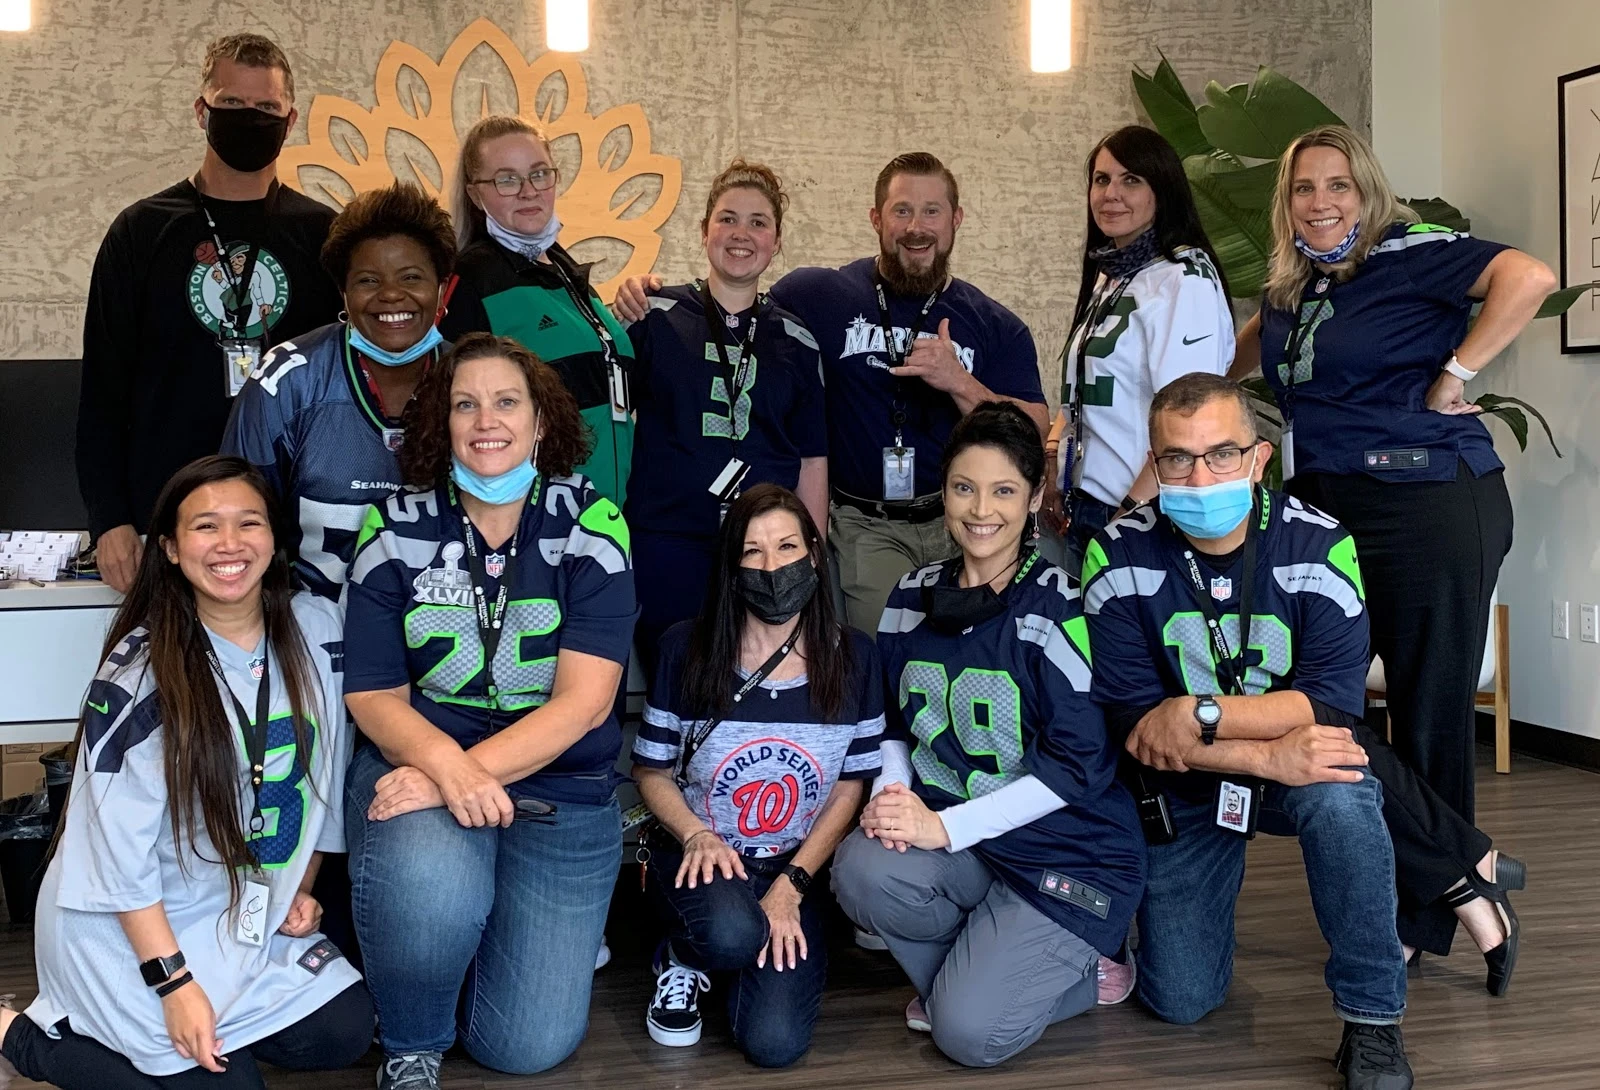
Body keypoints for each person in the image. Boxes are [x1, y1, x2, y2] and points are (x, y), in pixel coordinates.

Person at [1082, 372, 1416, 1089]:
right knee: (1180, 1000)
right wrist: (1265, 759)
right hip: (1187, 781)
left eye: (1222, 454)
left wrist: (1197, 712)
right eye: (1178, 458)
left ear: (1259, 458)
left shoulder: (1322, 544)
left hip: (1281, 757)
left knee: (1342, 789)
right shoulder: (1116, 553)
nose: (1201, 477)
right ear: (1154, 464)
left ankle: (1373, 1020)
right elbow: (1137, 728)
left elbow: (1328, 704)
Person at [0, 456, 371, 1089]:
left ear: (275, 538)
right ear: (170, 549)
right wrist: (174, 985)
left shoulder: (319, 629)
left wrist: (299, 886)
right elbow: (115, 858)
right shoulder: (141, 671)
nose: (229, 544)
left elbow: (323, 779)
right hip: (133, 924)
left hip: (234, 908)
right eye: (205, 527)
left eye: (248, 523)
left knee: (344, 1028)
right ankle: (26, 1036)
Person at [1232, 125, 1553, 828]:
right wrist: (1200, 393)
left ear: (1367, 191)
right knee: (1319, 700)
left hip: (1427, 502)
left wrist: (1456, 374)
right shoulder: (1293, 283)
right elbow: (1249, 350)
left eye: (1338, 185)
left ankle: (1441, 886)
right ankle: (1442, 863)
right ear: (1287, 203)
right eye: (1303, 188)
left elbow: (1530, 277)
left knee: (1427, 714)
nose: (1320, 202)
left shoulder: (1411, 252)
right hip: (1323, 510)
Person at [342, 334, 636, 1087]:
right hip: (422, 762)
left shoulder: (593, 523)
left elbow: (585, 703)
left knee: (525, 1048)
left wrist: (457, 775)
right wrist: (446, 769)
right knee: (433, 892)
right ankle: (412, 1042)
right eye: (464, 404)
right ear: (440, 422)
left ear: (540, 420)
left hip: (559, 790)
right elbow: (372, 693)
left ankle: (459, 957)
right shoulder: (393, 526)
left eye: (506, 401)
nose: (486, 421)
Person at [830, 402, 1144, 1069]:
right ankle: (978, 974)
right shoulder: (909, 596)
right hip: (971, 848)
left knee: (969, 1037)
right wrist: (893, 800)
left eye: (1003, 491)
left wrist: (941, 828)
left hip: (1067, 854)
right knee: (860, 868)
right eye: (964, 487)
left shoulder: (1063, 606)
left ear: (1033, 498)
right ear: (943, 492)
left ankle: (1085, 967)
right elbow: (892, 723)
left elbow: (1074, 768)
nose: (980, 510)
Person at [618, 153, 1048, 634]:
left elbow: (1034, 431)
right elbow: (734, 301)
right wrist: (638, 293)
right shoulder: (818, 295)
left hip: (965, 517)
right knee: (885, 652)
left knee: (980, 644)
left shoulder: (994, 323)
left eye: (932, 211)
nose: (916, 227)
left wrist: (960, 382)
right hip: (866, 526)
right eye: (902, 210)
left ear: (956, 219)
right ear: (876, 218)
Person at [77, 34, 342, 592]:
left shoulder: (325, 235)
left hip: (293, 521)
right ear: (202, 111)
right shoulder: (142, 230)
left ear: (290, 121)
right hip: (166, 521)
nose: (250, 118)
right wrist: (109, 518)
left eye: (266, 106)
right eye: (232, 103)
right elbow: (103, 387)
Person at [630, 484, 882, 1066]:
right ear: (732, 566)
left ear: (814, 555)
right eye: (753, 551)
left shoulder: (855, 658)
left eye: (787, 547)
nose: (772, 567)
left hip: (794, 865)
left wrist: (791, 887)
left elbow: (850, 786)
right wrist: (695, 834)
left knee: (774, 1045)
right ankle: (685, 956)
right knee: (729, 934)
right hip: (700, 856)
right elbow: (650, 770)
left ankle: (740, 939)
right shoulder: (685, 649)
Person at [624, 160, 828, 677]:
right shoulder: (653, 316)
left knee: (755, 683)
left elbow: (811, 458)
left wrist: (813, 553)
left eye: (758, 222)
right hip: (668, 540)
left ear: (776, 241)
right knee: (674, 678)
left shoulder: (798, 340)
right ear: (704, 230)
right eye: (728, 218)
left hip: (765, 550)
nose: (742, 234)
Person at [222, 181, 457, 603]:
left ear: (442, 287)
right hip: (315, 627)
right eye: (368, 280)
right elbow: (234, 522)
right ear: (343, 292)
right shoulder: (288, 381)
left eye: (411, 277)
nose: (391, 294)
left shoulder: (473, 381)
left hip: (441, 630)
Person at [1042, 126, 1235, 578]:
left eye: (1131, 180)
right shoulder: (1114, 272)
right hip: (1084, 506)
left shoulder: (1183, 280)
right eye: (1102, 179)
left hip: (1140, 513)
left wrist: (1130, 512)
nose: (1111, 193)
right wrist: (1054, 467)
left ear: (1161, 191)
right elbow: (1082, 394)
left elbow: (1189, 421)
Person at [441, 114, 634, 509]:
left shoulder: (564, 270)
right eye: (507, 180)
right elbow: (453, 412)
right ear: (476, 194)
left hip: (605, 512)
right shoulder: (474, 279)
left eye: (539, 174)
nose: (529, 191)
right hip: (534, 516)